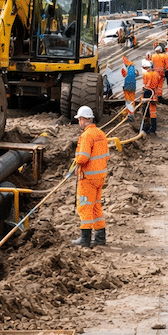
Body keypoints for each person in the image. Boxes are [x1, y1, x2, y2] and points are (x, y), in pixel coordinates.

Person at [71, 105, 109, 248]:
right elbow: (106, 156)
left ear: (82, 119)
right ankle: (100, 238)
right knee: (96, 207)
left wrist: (76, 162)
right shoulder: (100, 133)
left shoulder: (86, 135)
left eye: (79, 119)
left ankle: (85, 240)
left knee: (85, 207)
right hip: (100, 178)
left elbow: (83, 158)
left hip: (88, 179)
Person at [141, 59, 162, 133]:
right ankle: (153, 128)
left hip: (147, 91)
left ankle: (146, 127)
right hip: (154, 92)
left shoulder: (146, 74)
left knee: (145, 110)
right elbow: (159, 81)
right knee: (153, 111)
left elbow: (144, 83)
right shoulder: (156, 74)